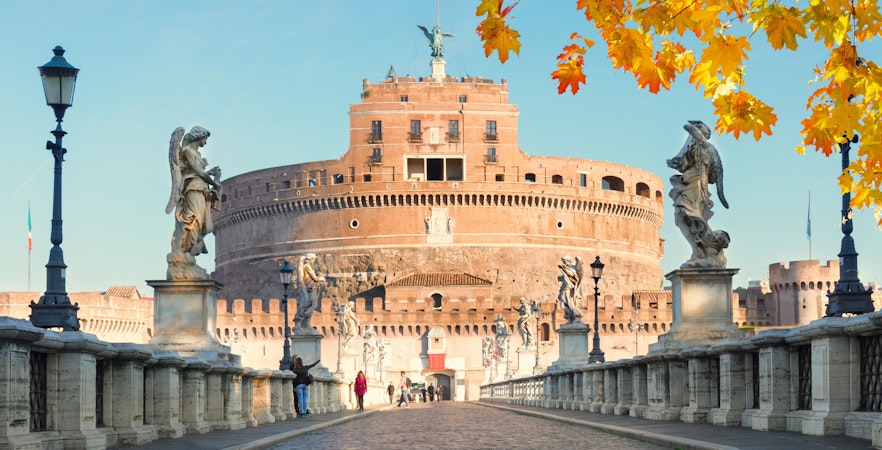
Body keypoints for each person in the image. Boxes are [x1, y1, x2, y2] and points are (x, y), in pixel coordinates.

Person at [667, 120, 730, 269]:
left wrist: (694, 128)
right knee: (680, 219)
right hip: (686, 183)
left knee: (693, 218)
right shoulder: (694, 147)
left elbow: (707, 174)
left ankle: (706, 250)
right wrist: (676, 163)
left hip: (695, 187)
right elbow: (684, 165)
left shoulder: (706, 147)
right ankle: (697, 252)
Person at [165, 126, 222, 280]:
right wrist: (214, 182)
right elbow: (198, 172)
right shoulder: (189, 151)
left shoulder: (196, 153)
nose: (206, 142)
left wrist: (211, 175)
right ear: (199, 137)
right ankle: (183, 255)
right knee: (193, 221)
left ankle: (188, 258)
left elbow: (198, 172)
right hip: (192, 190)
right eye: (205, 138)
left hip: (201, 190)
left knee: (206, 226)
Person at [295, 253, 325, 332]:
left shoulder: (307, 267)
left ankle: (306, 324)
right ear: (310, 259)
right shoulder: (307, 267)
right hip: (310, 288)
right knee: (312, 305)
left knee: (310, 306)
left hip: (311, 288)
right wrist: (322, 279)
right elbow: (314, 278)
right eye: (313, 259)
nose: (314, 261)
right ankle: (302, 317)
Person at [557, 255, 584, 324]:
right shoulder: (568, 267)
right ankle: (572, 318)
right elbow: (567, 277)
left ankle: (576, 315)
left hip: (568, 288)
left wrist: (564, 269)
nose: (563, 262)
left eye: (564, 261)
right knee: (564, 305)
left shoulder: (572, 266)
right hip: (564, 287)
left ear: (568, 260)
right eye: (563, 261)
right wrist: (561, 277)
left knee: (567, 304)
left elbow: (571, 274)